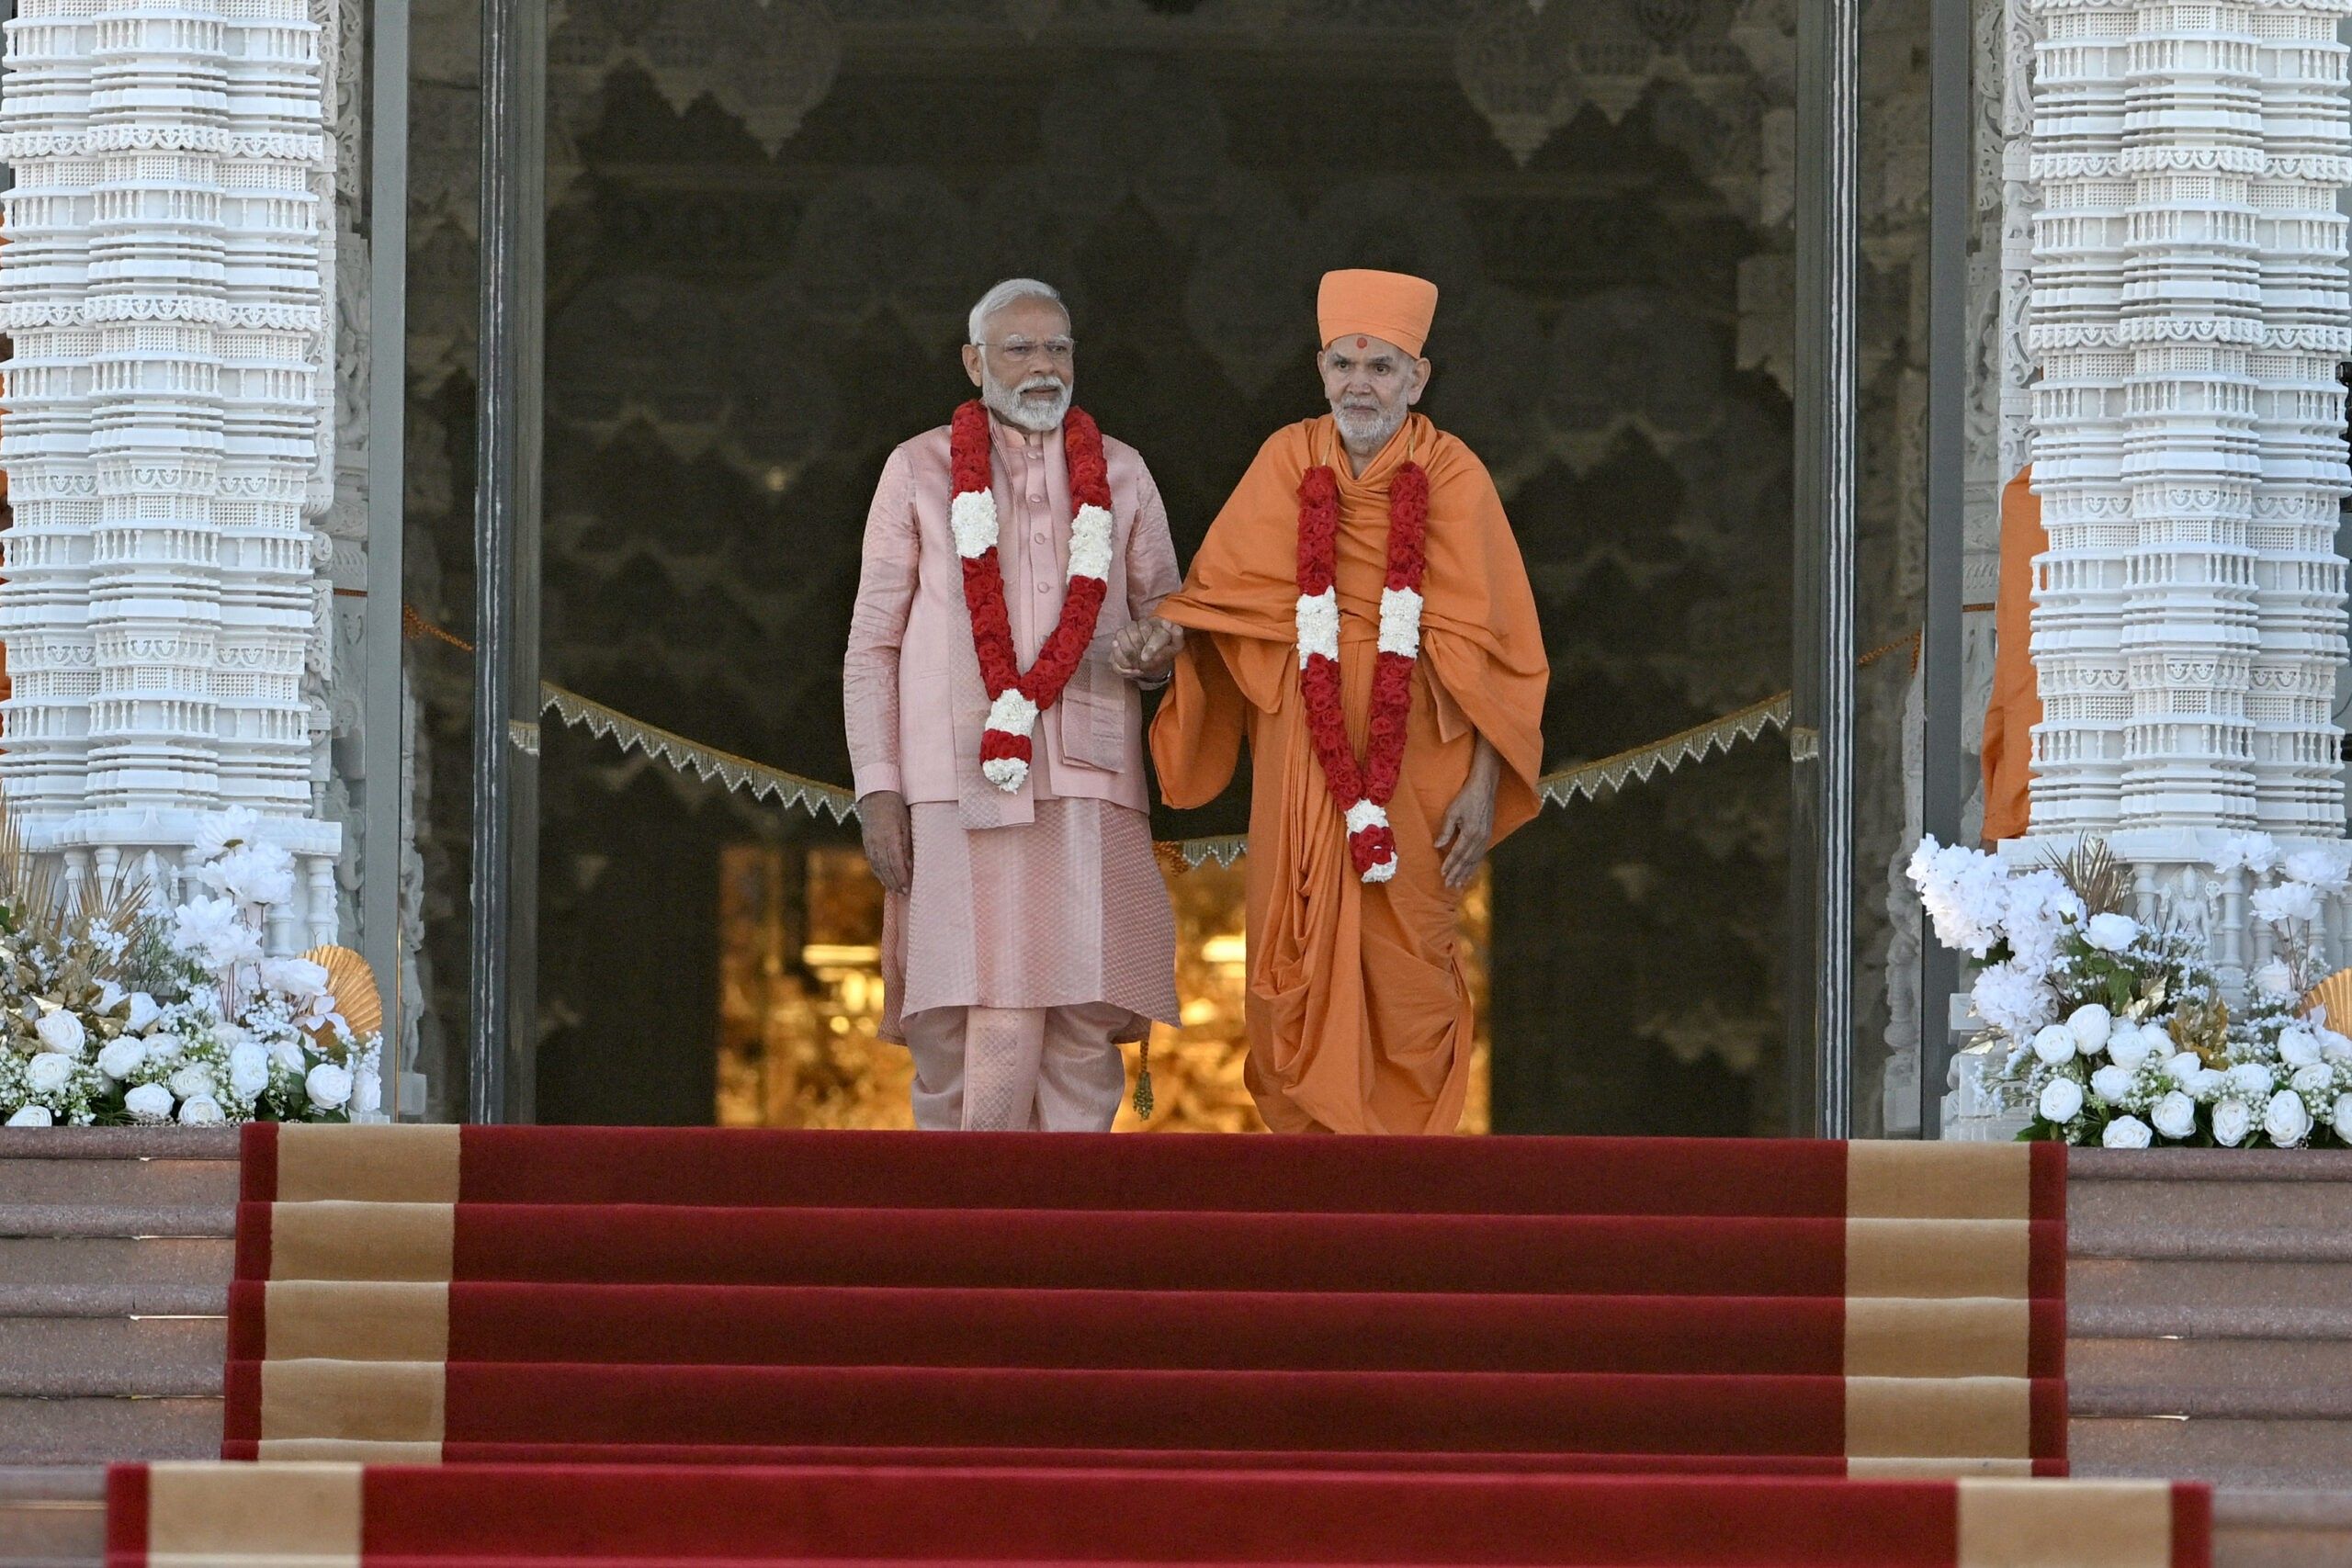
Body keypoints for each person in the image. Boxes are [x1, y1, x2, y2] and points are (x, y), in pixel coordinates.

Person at [1115, 269, 1548, 1134]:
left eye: (1381, 367)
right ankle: (1310, 1169)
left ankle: (1405, 1177)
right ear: (1320, 369)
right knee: (1293, 946)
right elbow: (1225, 596)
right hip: (1302, 747)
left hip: (1421, 753)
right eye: (1345, 364)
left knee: (1414, 968)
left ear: (1418, 379)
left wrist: (1481, 783)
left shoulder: (1452, 475)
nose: (1361, 384)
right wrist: (1173, 639)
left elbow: (1499, 651)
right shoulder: (1289, 458)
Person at [844, 277, 1180, 1131]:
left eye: (1058, 348)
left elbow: (1168, 619)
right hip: (955, 780)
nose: (1043, 367)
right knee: (965, 1016)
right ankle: (964, 1237)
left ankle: (1066, 1235)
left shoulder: (1126, 472)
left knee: (1081, 1019)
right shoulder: (917, 468)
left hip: (1090, 776)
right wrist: (878, 787)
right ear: (973, 362)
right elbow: (872, 644)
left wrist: (1157, 652)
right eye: (1021, 349)